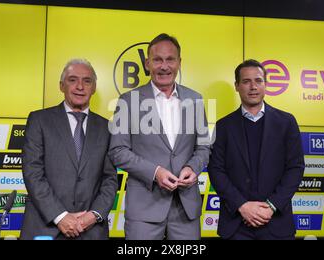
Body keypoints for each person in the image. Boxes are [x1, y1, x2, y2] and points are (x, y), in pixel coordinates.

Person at [108, 33, 210, 240]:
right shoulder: (128, 100)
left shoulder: (195, 99)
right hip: (144, 209)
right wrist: (155, 172)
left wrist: (192, 167)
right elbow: (117, 151)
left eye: (170, 59)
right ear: (147, 64)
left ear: (179, 63)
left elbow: (204, 147)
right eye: (157, 60)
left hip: (186, 210)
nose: (164, 66)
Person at [20, 59, 117, 240]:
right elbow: (32, 172)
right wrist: (60, 216)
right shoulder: (39, 120)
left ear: (94, 87)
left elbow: (110, 179)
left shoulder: (107, 127)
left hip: (91, 230)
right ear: (61, 85)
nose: (80, 86)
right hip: (45, 227)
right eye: (72, 80)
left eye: (87, 81)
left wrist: (93, 215)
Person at [208, 59, 305, 240]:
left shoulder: (286, 122)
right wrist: (242, 206)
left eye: (258, 81)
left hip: (276, 224)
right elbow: (216, 170)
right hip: (236, 226)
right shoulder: (223, 126)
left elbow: (295, 168)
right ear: (237, 86)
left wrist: (271, 206)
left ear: (265, 84)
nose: (253, 86)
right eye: (246, 81)